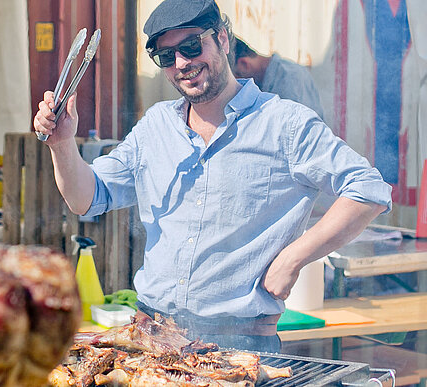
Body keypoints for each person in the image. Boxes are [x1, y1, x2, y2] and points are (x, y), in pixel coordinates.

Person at [33, 0, 391, 353]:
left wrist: (294, 257)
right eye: (166, 56)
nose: (182, 64)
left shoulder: (285, 123)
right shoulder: (155, 126)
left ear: (222, 38)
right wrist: (62, 144)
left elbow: (369, 190)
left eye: (191, 46)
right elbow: (86, 198)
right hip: (149, 335)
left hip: (241, 342)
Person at [231, 36, 326, 121]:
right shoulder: (272, 80)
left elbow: (306, 134)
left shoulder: (290, 81)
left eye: (235, 78)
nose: (236, 86)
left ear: (244, 64)